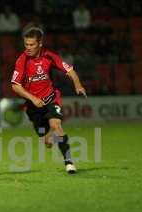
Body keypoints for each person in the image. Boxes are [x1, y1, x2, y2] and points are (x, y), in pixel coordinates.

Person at [11, 25, 87, 174]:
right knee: (46, 139)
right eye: (26, 44)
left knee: (56, 125)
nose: (28, 47)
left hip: (51, 99)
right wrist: (33, 99)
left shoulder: (50, 56)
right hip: (33, 106)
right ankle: (46, 135)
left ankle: (69, 162)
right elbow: (15, 86)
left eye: (32, 44)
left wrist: (78, 85)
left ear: (40, 43)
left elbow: (69, 70)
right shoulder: (22, 60)